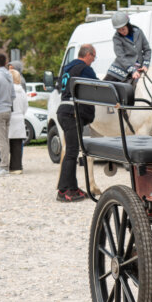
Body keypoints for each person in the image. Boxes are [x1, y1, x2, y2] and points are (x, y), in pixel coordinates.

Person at [56, 44, 98, 202]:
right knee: (72, 152)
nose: (93, 60)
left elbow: (60, 87)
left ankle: (71, 187)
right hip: (73, 112)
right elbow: (97, 86)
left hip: (63, 110)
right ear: (88, 55)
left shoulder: (67, 68)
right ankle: (65, 191)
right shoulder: (84, 68)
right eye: (93, 57)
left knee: (71, 152)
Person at [104, 11, 152, 83]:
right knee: (105, 85)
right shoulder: (116, 38)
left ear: (128, 25)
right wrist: (132, 70)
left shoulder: (139, 32)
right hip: (120, 68)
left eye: (123, 29)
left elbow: (147, 50)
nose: (121, 32)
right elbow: (121, 56)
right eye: (118, 30)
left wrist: (145, 65)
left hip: (139, 67)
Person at [7, 68, 28, 174]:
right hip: (19, 118)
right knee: (17, 145)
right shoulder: (22, 91)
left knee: (5, 144)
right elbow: (26, 106)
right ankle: (16, 167)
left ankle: (5, 166)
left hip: (10, 118)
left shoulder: (7, 90)